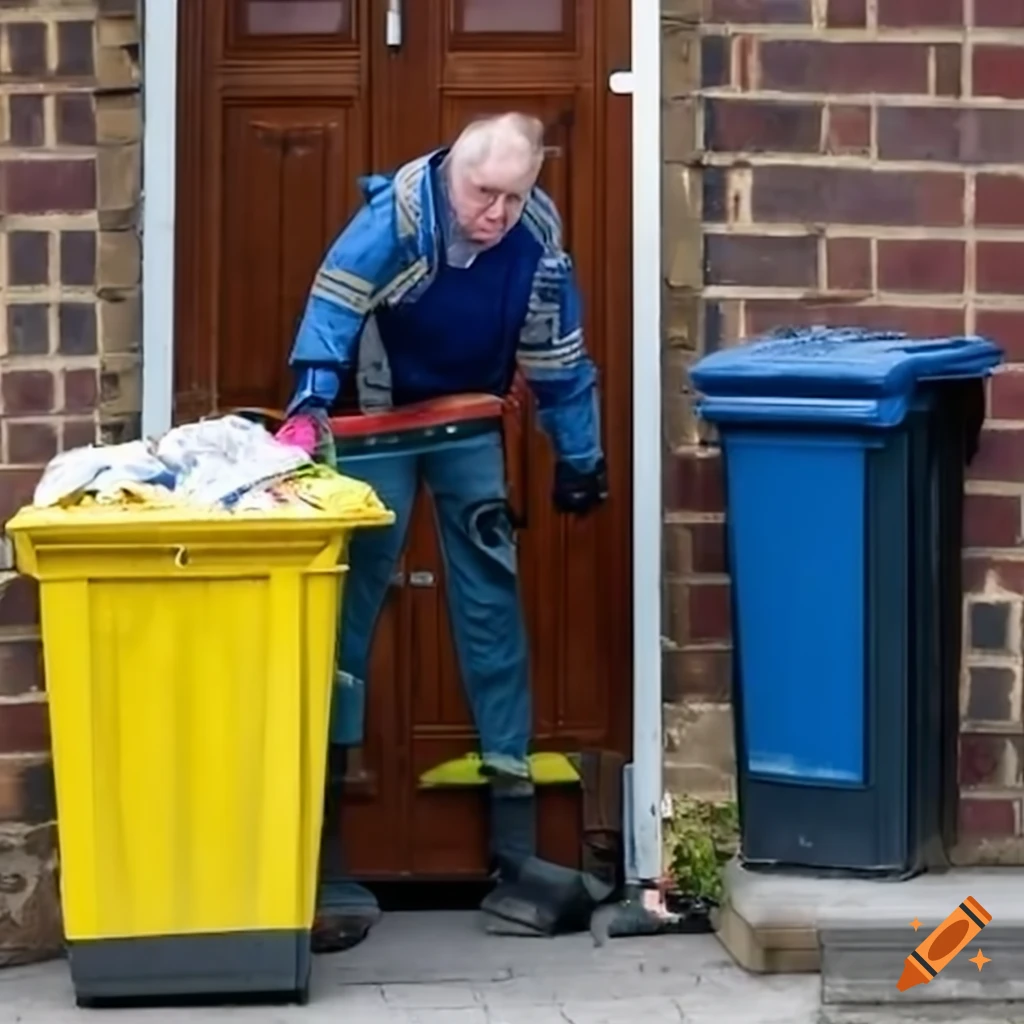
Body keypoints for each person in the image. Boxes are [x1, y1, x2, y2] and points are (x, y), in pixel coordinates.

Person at [283, 112, 610, 953]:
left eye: (513, 194)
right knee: (348, 617)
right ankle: (320, 858)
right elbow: (330, 313)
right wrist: (308, 412)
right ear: (451, 172)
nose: (496, 213)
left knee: (492, 610)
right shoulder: (394, 218)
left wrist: (580, 454)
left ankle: (515, 853)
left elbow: (557, 354)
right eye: (482, 193)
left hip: (467, 422)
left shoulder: (538, 237)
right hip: (376, 427)